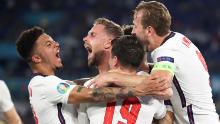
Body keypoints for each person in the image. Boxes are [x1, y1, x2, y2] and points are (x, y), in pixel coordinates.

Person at [91, 1, 219, 123]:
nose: (134, 32)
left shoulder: (166, 50)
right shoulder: (177, 40)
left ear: (149, 30)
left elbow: (160, 85)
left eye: (136, 26)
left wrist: (112, 77)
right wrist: (146, 68)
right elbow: (172, 74)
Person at [15, 26, 149, 124]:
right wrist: (136, 90)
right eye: (49, 44)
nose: (57, 44)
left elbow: (78, 83)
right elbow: (92, 94)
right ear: (37, 58)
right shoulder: (42, 84)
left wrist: (106, 77)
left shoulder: (50, 83)